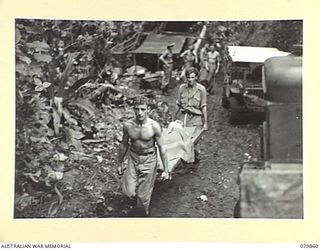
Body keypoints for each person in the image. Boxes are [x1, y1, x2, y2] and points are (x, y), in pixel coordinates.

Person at [118, 96, 170, 216]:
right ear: (133, 109)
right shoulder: (128, 125)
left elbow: (162, 147)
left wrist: (166, 170)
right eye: (137, 109)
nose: (139, 113)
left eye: (142, 109)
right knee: (128, 192)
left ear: (148, 110)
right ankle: (136, 205)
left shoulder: (154, 126)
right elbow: (123, 144)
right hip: (133, 158)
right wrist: (119, 163)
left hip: (149, 159)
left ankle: (142, 215)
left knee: (142, 197)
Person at [174, 67, 208, 162]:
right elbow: (178, 104)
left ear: (196, 77)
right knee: (184, 141)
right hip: (184, 117)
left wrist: (205, 122)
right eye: (188, 77)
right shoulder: (182, 88)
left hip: (196, 118)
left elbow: (204, 106)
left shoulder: (201, 89)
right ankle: (186, 162)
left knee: (194, 142)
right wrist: (173, 118)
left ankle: (196, 157)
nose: (190, 80)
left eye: (192, 77)